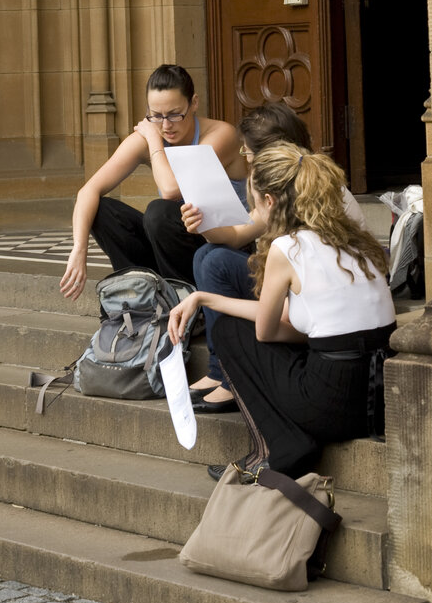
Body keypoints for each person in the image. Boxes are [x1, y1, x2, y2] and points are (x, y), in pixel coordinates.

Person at [167, 140, 395, 480]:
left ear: (271, 201)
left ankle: (274, 449)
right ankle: (283, 444)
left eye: (254, 204)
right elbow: (315, 327)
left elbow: (265, 332)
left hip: (329, 409)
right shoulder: (359, 241)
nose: (253, 212)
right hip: (378, 405)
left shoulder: (287, 248)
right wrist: (204, 297)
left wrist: (208, 300)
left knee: (229, 331)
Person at [59, 64, 242, 300]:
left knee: (160, 212)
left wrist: (154, 140)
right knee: (102, 210)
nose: (166, 125)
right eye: (156, 116)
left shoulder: (220, 134)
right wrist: (79, 248)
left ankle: (182, 298)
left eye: (175, 115)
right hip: (174, 246)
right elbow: (89, 190)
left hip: (222, 247)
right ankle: (143, 294)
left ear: (194, 103)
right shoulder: (152, 134)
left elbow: (172, 190)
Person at [184, 104, 315, 414]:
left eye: (249, 153)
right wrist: (203, 224)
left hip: (307, 298)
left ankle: (235, 378)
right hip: (292, 288)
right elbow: (238, 234)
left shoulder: (308, 186)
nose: (246, 159)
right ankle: (221, 368)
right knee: (208, 253)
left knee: (215, 263)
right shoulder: (282, 182)